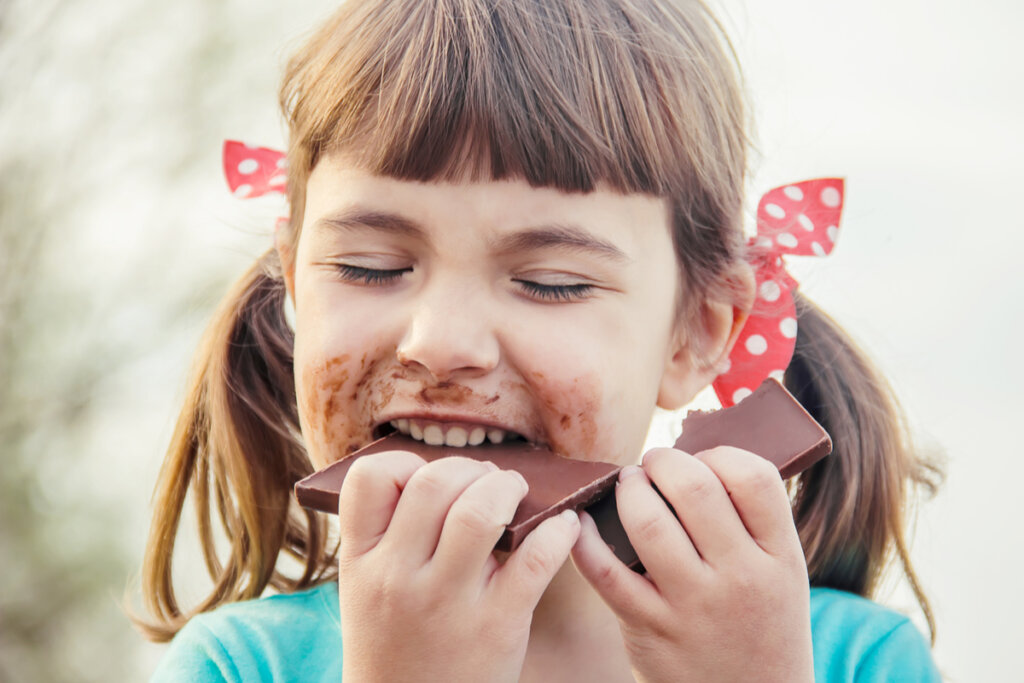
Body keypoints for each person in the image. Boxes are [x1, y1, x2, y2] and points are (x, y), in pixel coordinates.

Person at [137, 0, 943, 680]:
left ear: (696, 331)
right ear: (295, 284)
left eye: (550, 280)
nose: (441, 344)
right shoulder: (241, 665)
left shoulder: (851, 658)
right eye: (370, 266)